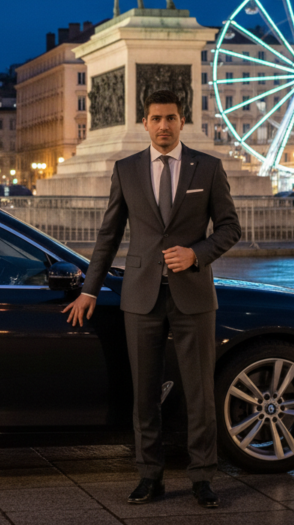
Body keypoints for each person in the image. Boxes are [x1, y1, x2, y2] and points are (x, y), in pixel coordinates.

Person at [64, 89, 241, 509]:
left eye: (171, 118)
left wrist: (196, 254)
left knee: (199, 391)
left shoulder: (209, 168)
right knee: (144, 392)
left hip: (194, 295)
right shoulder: (126, 169)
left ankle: (202, 477)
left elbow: (230, 228)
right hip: (140, 296)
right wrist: (90, 289)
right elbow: (109, 234)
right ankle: (150, 476)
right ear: (145, 123)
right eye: (156, 118)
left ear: (183, 122)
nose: (164, 126)